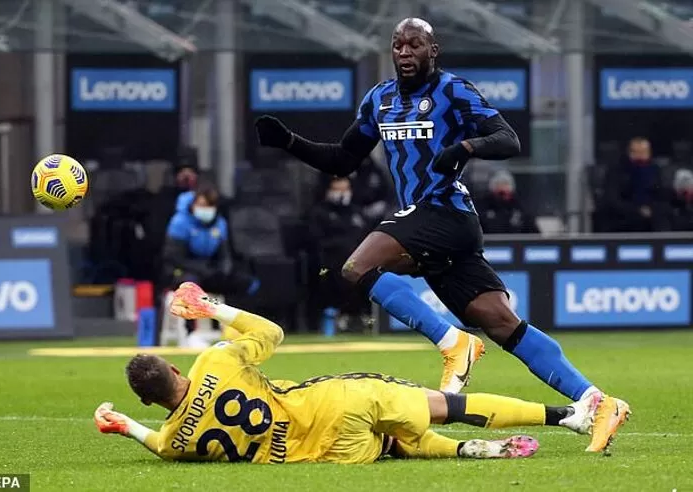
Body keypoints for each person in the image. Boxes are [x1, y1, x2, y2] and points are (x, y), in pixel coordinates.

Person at [254, 16, 628, 422]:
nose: (404, 53)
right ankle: (597, 402)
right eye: (398, 46)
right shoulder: (379, 99)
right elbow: (343, 159)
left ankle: (454, 343)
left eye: (414, 45)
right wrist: (289, 142)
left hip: (446, 210)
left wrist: (466, 146)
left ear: (433, 50)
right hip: (430, 227)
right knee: (502, 323)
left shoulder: (452, 90)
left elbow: (508, 139)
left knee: (357, 266)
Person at [94, 282, 629, 463]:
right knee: (445, 405)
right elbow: (273, 334)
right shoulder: (215, 360)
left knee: (402, 445)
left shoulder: (178, 441)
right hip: (332, 403)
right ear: (170, 364)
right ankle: (567, 417)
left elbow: (160, 444)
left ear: (149, 402)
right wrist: (211, 307)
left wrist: (123, 426)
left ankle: (465, 451)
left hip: (325, 454)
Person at [162, 185, 259, 346]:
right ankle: (191, 333)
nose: (205, 210)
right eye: (201, 205)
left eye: (209, 206)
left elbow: (224, 254)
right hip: (182, 271)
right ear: (193, 205)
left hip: (209, 270)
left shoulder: (220, 224)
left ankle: (241, 330)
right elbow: (174, 257)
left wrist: (223, 270)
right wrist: (203, 269)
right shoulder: (180, 223)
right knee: (190, 285)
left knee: (244, 283)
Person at [309, 176, 371, 325]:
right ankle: (340, 315)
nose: (343, 193)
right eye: (338, 190)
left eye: (345, 189)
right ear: (329, 191)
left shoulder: (356, 212)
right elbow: (315, 240)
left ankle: (364, 315)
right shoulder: (319, 213)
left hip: (359, 260)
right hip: (330, 260)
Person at [602, 137, 667, 232]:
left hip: (652, 217)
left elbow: (661, 196)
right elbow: (612, 200)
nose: (640, 156)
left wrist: (652, 210)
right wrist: (637, 210)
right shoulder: (616, 171)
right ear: (629, 153)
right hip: (623, 218)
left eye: (644, 152)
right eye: (636, 152)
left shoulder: (655, 170)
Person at [478, 170, 540, 234]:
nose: (503, 189)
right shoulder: (482, 209)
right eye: (498, 185)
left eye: (506, 184)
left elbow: (535, 235)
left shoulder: (522, 208)